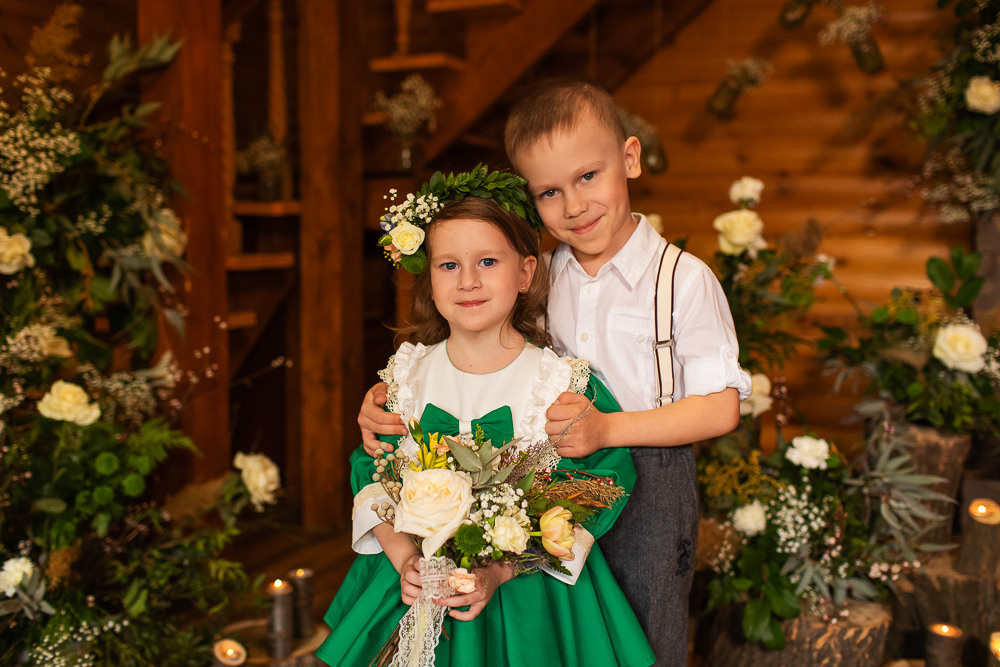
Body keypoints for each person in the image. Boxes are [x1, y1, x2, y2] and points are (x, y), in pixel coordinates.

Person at [358, 80, 752, 666]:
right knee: (568, 639)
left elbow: (721, 408)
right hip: (545, 486)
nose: (573, 206)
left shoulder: (683, 280)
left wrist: (607, 430)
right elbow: (475, 353)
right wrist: (387, 396)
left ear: (630, 159)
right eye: (549, 192)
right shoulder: (536, 276)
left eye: (588, 176)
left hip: (647, 488)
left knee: (643, 638)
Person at [316, 173, 655, 667]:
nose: (468, 281)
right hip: (413, 580)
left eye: (488, 262)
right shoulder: (405, 378)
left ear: (525, 273)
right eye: (449, 265)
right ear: (429, 278)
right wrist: (405, 560)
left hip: (526, 596)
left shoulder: (558, 384)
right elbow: (372, 474)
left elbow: (599, 482)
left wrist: (498, 570)